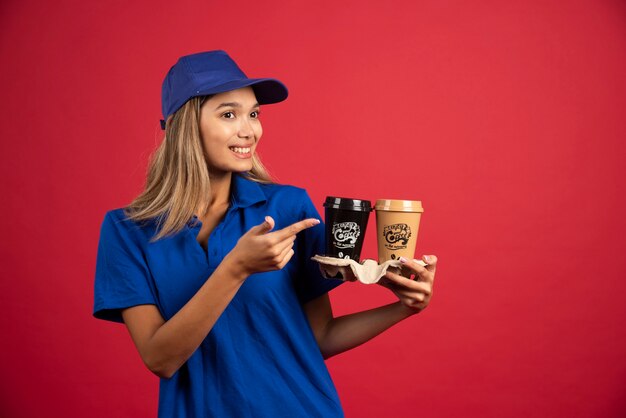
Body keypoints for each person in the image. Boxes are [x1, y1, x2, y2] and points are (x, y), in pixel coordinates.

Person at [93, 50, 438, 418]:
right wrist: (236, 268)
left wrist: (404, 308)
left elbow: (318, 336)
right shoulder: (127, 231)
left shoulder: (288, 207)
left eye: (254, 114)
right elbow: (161, 358)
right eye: (229, 114)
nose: (249, 130)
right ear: (185, 125)